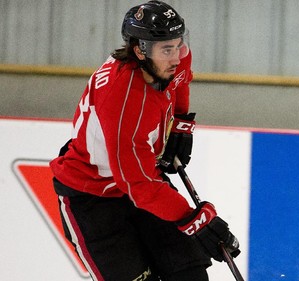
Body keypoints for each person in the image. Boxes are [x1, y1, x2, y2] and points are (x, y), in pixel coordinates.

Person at [50, 1, 240, 280]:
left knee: (190, 272)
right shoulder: (123, 101)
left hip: (141, 178)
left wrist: (181, 125)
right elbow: (139, 186)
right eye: (167, 49)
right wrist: (196, 221)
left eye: (179, 44)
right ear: (139, 50)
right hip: (91, 198)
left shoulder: (169, 57)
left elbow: (180, 81)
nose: (176, 56)